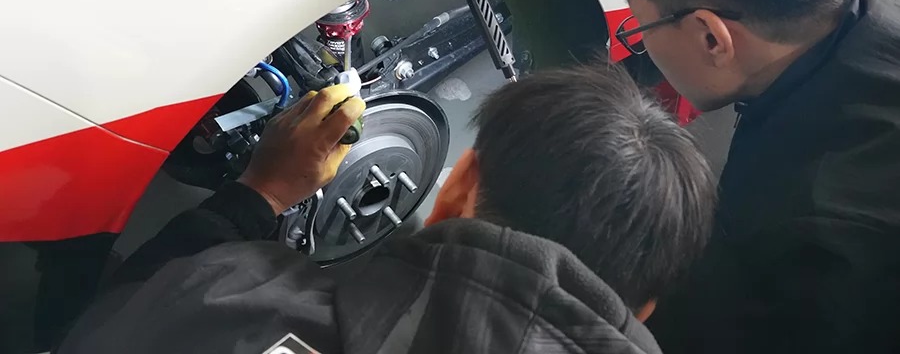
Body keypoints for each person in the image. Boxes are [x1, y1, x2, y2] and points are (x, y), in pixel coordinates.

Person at [57, 65, 716, 354]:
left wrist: (259, 195)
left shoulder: (227, 303)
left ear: (456, 186)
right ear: (644, 310)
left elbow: (104, 327)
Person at [609, 0, 900, 353]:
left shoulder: (795, 229)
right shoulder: (875, 35)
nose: (642, 44)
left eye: (640, 27)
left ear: (711, 37)